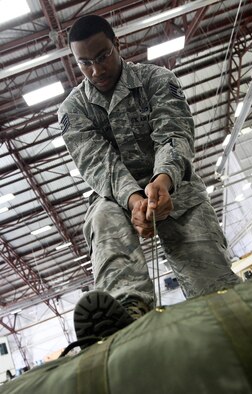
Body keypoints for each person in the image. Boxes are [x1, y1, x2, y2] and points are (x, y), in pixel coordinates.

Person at [58, 14, 240, 342]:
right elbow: (99, 164)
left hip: (174, 185)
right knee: (102, 217)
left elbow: (173, 132)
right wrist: (134, 199)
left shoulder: (156, 78)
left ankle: (217, 298)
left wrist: (163, 180)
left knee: (213, 285)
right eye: (84, 63)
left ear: (117, 44)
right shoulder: (74, 110)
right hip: (116, 197)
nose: (96, 70)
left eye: (102, 56)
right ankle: (127, 308)